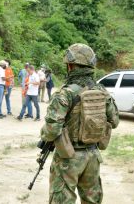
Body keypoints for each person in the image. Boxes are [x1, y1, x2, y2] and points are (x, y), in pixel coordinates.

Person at [40, 43, 119, 204]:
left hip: (68, 158)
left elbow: (51, 130)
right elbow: (114, 121)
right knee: (92, 200)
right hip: (93, 156)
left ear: (70, 66)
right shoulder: (102, 91)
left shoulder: (65, 93)